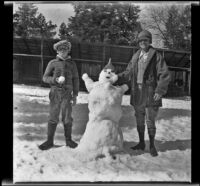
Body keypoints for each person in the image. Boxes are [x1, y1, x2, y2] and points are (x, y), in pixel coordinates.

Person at [117, 30, 171, 156]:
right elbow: (128, 72)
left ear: (149, 41)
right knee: (139, 118)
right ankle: (141, 142)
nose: (143, 42)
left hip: (151, 92)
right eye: (140, 40)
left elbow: (165, 74)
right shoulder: (136, 56)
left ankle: (152, 145)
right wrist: (115, 77)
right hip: (137, 92)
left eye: (145, 40)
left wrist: (160, 90)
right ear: (138, 42)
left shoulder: (156, 56)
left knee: (150, 120)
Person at [38, 40, 79, 150]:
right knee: (53, 117)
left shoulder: (72, 64)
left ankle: (69, 141)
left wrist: (75, 95)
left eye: (65, 49)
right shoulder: (52, 63)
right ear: (57, 50)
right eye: (60, 49)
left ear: (68, 50)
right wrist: (55, 80)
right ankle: (49, 141)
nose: (63, 51)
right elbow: (45, 78)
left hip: (67, 94)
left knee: (67, 118)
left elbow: (76, 79)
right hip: (55, 93)